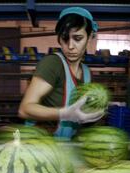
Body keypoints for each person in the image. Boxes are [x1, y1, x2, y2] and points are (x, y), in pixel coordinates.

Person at [18, 7, 104, 139]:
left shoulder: (87, 73)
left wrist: (92, 115)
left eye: (78, 38)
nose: (70, 46)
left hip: (64, 148)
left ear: (90, 37)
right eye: (65, 39)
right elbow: (25, 109)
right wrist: (64, 113)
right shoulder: (53, 64)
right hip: (38, 146)